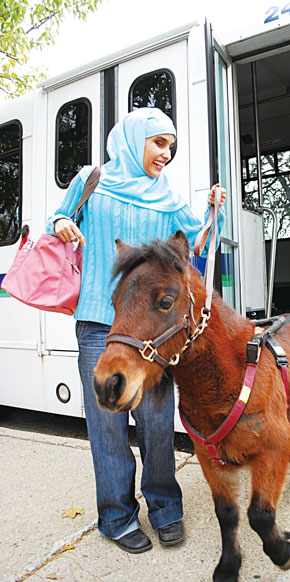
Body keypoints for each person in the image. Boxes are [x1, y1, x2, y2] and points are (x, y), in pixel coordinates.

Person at [46, 107, 226, 554]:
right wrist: (63, 224)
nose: (166, 153)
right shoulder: (93, 180)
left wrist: (211, 209)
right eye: (158, 142)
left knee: (156, 423)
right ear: (133, 138)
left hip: (151, 333)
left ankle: (166, 508)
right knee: (107, 427)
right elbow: (58, 219)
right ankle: (117, 516)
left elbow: (196, 243)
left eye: (170, 145)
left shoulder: (167, 197)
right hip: (98, 324)